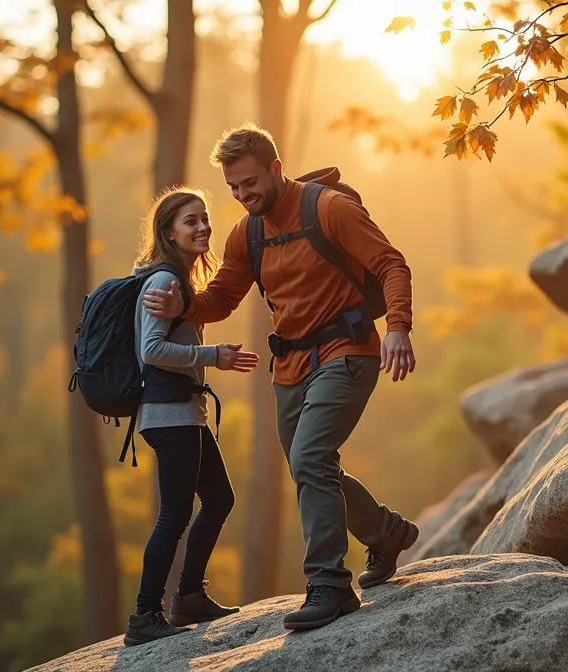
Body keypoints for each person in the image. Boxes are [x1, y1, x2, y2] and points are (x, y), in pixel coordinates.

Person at [143, 124, 419, 631]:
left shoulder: (328, 208)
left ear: (275, 169)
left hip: (348, 351)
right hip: (289, 366)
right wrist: (180, 301)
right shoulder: (247, 233)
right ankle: (385, 533)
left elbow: (390, 264)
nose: (243, 195)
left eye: (249, 183)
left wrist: (398, 328)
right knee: (310, 466)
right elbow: (221, 298)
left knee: (312, 457)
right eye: (233, 188)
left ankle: (329, 584)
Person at [124, 187, 261, 647]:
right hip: (168, 414)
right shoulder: (163, 282)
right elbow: (151, 350)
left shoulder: (176, 279)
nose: (203, 227)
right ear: (168, 232)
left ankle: (188, 597)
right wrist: (213, 355)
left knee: (219, 498)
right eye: (190, 221)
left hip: (186, 412)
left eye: (204, 218)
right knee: (174, 515)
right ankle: (145, 614)